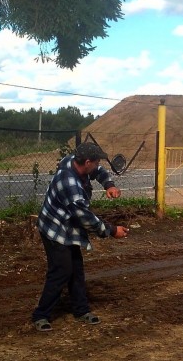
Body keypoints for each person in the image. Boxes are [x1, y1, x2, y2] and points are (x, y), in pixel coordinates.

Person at [31, 142, 129, 332]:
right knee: (61, 271)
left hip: (68, 227)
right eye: (96, 161)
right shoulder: (70, 183)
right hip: (54, 228)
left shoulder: (73, 161)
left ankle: (81, 310)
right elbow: (85, 218)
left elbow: (99, 170)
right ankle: (40, 315)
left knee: (76, 268)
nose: (98, 164)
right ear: (86, 162)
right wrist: (110, 230)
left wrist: (109, 184)